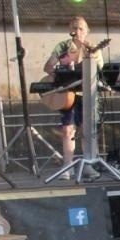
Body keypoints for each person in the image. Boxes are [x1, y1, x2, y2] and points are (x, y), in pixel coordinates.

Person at [42, 16, 92, 170]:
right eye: (74, 28)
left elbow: (100, 69)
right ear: (70, 31)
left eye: (81, 28)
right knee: (67, 129)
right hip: (66, 93)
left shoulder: (91, 47)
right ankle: (68, 166)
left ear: (87, 31)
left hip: (86, 93)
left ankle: (89, 164)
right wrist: (59, 77)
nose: (77, 31)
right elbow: (48, 67)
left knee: (87, 129)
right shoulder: (62, 46)